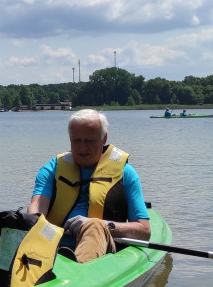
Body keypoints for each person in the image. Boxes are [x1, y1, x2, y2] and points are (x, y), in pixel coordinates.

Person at [27, 108, 150, 263]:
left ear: (104, 138)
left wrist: (106, 225)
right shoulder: (52, 169)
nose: (82, 148)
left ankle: (78, 275)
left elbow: (144, 231)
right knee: (20, 220)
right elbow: (37, 208)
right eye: (76, 140)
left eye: (89, 141)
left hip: (105, 248)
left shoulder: (126, 174)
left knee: (94, 225)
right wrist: (30, 220)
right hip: (54, 245)